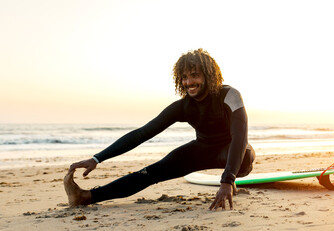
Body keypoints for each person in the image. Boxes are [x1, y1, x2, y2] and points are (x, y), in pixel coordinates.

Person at [64, 48, 255, 211]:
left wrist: (227, 180)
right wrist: (97, 158)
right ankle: (86, 197)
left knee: (243, 155)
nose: (189, 83)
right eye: (185, 78)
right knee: (152, 171)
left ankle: (232, 172)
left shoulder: (229, 96)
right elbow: (142, 133)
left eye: (195, 75)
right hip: (202, 150)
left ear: (208, 75)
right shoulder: (183, 107)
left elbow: (240, 137)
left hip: (235, 153)